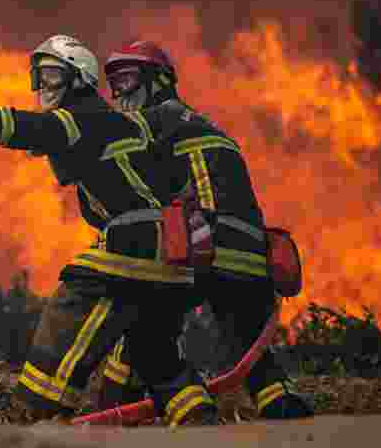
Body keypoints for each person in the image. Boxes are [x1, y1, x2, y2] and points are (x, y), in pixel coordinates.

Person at [0, 35, 218, 426]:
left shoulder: (80, 115)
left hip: (135, 244)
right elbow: (174, 181)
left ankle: (35, 418)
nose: (43, 88)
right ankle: (199, 420)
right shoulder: (120, 124)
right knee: (153, 352)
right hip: (172, 255)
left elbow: (25, 128)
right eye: (38, 78)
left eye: (53, 76)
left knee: (67, 309)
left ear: (80, 79)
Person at [97, 40, 313, 420]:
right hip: (250, 256)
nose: (119, 94)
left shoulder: (150, 122)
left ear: (159, 81)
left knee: (144, 327)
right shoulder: (203, 124)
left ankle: (183, 406)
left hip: (204, 247)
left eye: (128, 80)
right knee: (246, 337)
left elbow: (130, 190)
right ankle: (280, 402)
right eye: (114, 84)